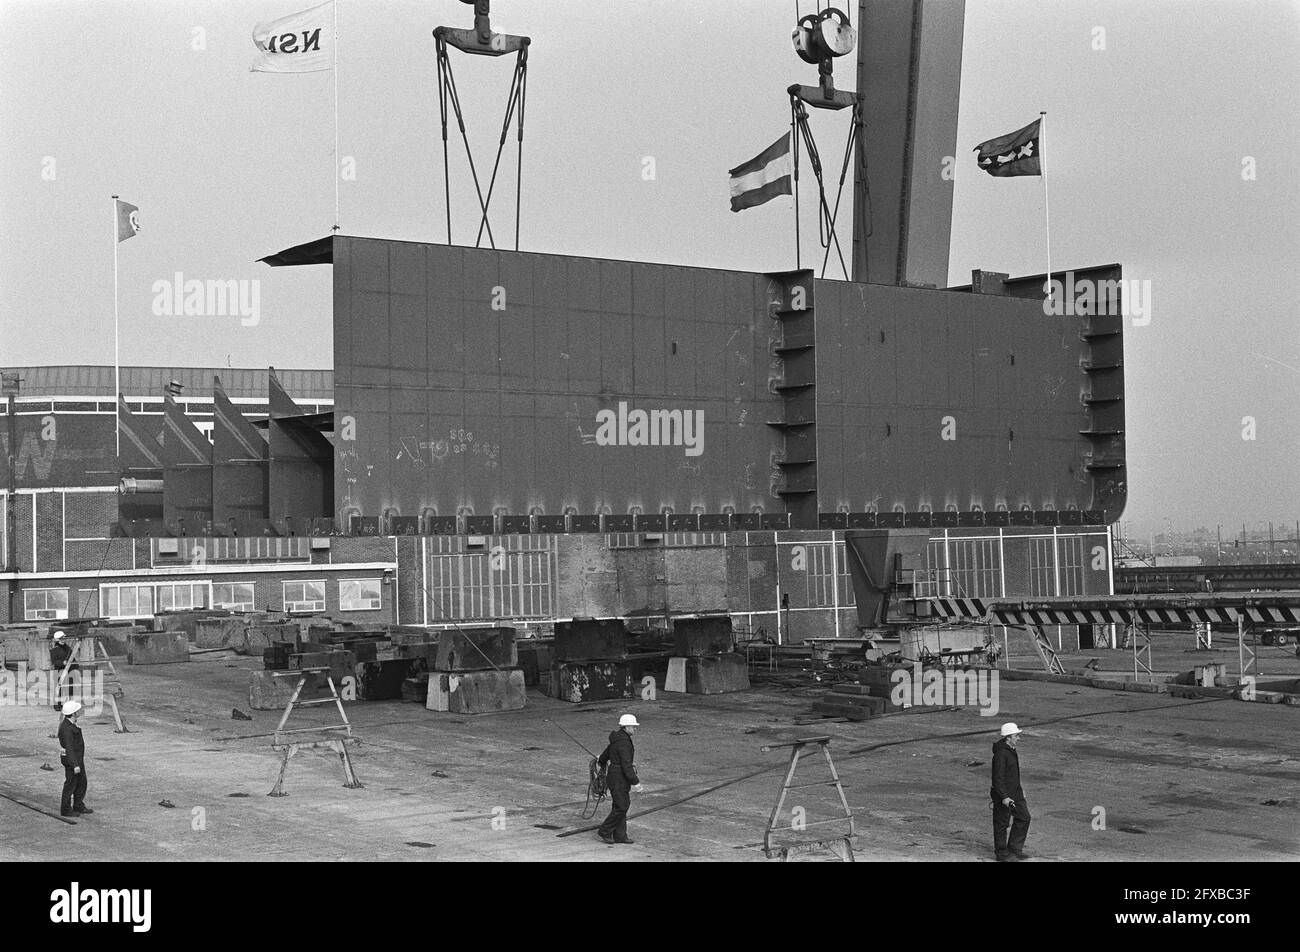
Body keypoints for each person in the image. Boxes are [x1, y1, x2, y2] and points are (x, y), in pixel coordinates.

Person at [596, 713, 643, 845]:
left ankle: (620, 835)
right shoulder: (624, 742)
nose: (635, 729)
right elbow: (626, 766)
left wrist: (600, 758)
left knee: (620, 805)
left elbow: (605, 756)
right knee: (623, 806)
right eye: (633, 727)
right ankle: (605, 831)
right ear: (627, 727)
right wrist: (636, 782)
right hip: (619, 779)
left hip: (615, 777)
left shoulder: (617, 739)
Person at [990, 722, 1029, 861]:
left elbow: (1012, 774)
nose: (1018, 738)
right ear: (1008, 737)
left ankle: (1014, 849)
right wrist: (1004, 797)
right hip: (1004, 795)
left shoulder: (1011, 750)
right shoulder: (1001, 754)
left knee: (1024, 817)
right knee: (1002, 823)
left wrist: (1020, 789)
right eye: (1016, 736)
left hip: (1015, 792)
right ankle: (1001, 853)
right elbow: (998, 778)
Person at [58, 700, 93, 818]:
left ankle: (78, 805)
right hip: (72, 760)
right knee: (70, 784)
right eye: (77, 710)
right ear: (73, 713)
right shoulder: (67, 729)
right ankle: (66, 809)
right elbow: (69, 747)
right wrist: (75, 765)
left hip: (77, 759)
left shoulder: (70, 724)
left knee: (82, 783)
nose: (80, 711)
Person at [49, 632, 78, 709]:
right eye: (61, 638)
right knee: (59, 688)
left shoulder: (67, 647)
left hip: (70, 670)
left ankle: (69, 704)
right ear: (57, 640)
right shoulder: (54, 649)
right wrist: (62, 662)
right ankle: (57, 705)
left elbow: (72, 657)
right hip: (59, 670)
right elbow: (54, 661)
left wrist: (75, 667)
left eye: (64, 638)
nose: (63, 639)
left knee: (70, 687)